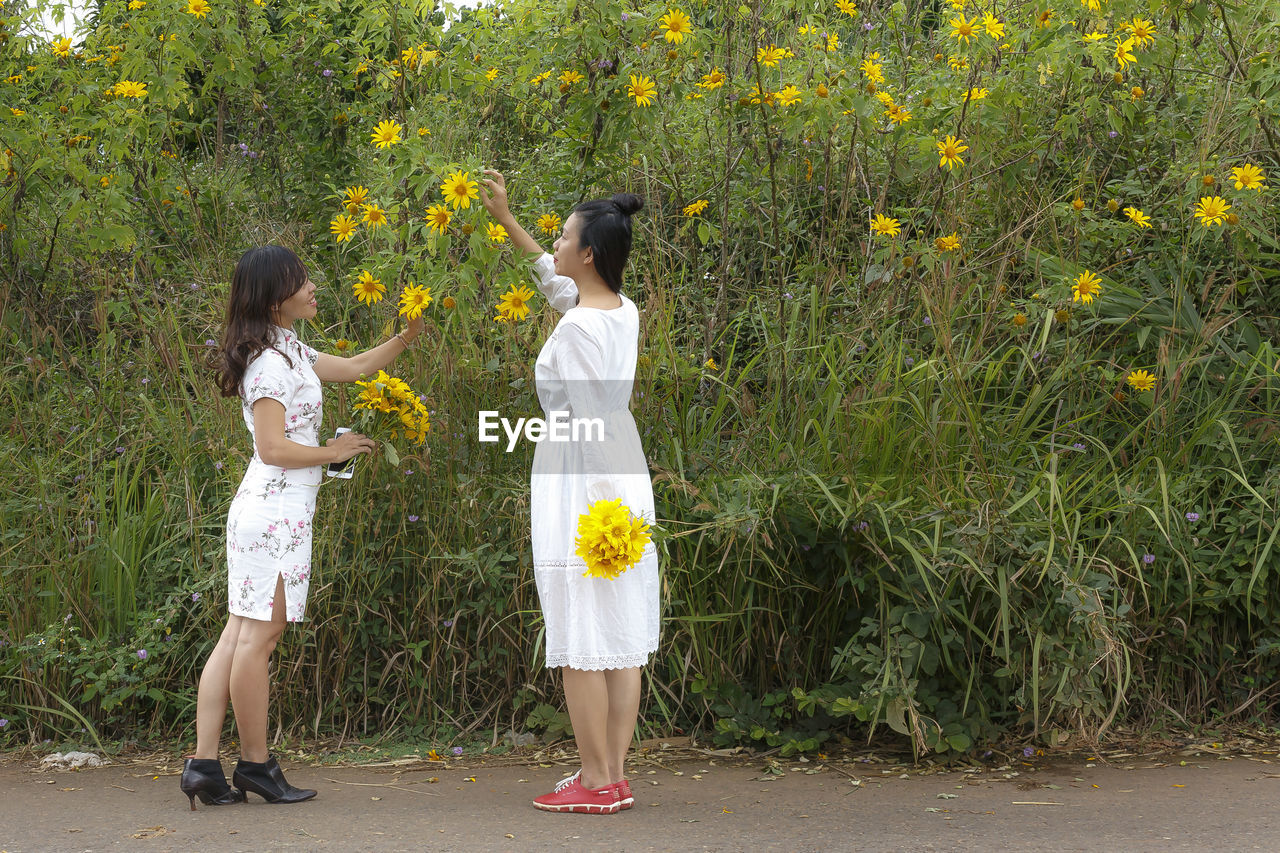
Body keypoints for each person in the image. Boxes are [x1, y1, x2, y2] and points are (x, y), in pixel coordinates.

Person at [180, 245, 423, 809]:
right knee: (258, 641)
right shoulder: (268, 365)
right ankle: (256, 766)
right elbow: (272, 447)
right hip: (274, 518)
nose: (314, 288)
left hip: (271, 512)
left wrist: (408, 334)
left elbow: (358, 367)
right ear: (273, 297)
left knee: (237, 636)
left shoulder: (286, 347)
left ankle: (203, 765)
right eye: (301, 281)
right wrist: (330, 450)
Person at [481, 171, 660, 815]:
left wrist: (603, 518)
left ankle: (594, 777)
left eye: (563, 236)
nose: (554, 243)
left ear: (588, 253)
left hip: (584, 479)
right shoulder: (618, 309)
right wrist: (506, 219)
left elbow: (580, 417)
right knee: (618, 630)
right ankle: (611, 775)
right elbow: (558, 285)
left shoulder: (581, 329)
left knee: (581, 626)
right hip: (620, 465)